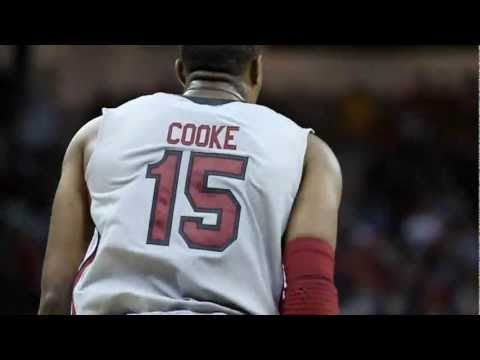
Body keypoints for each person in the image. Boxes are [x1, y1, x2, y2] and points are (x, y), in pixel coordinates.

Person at [38, 45, 342, 315]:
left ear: (181, 71)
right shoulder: (306, 152)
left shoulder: (97, 134)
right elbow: (310, 297)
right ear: (255, 70)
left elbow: (54, 298)